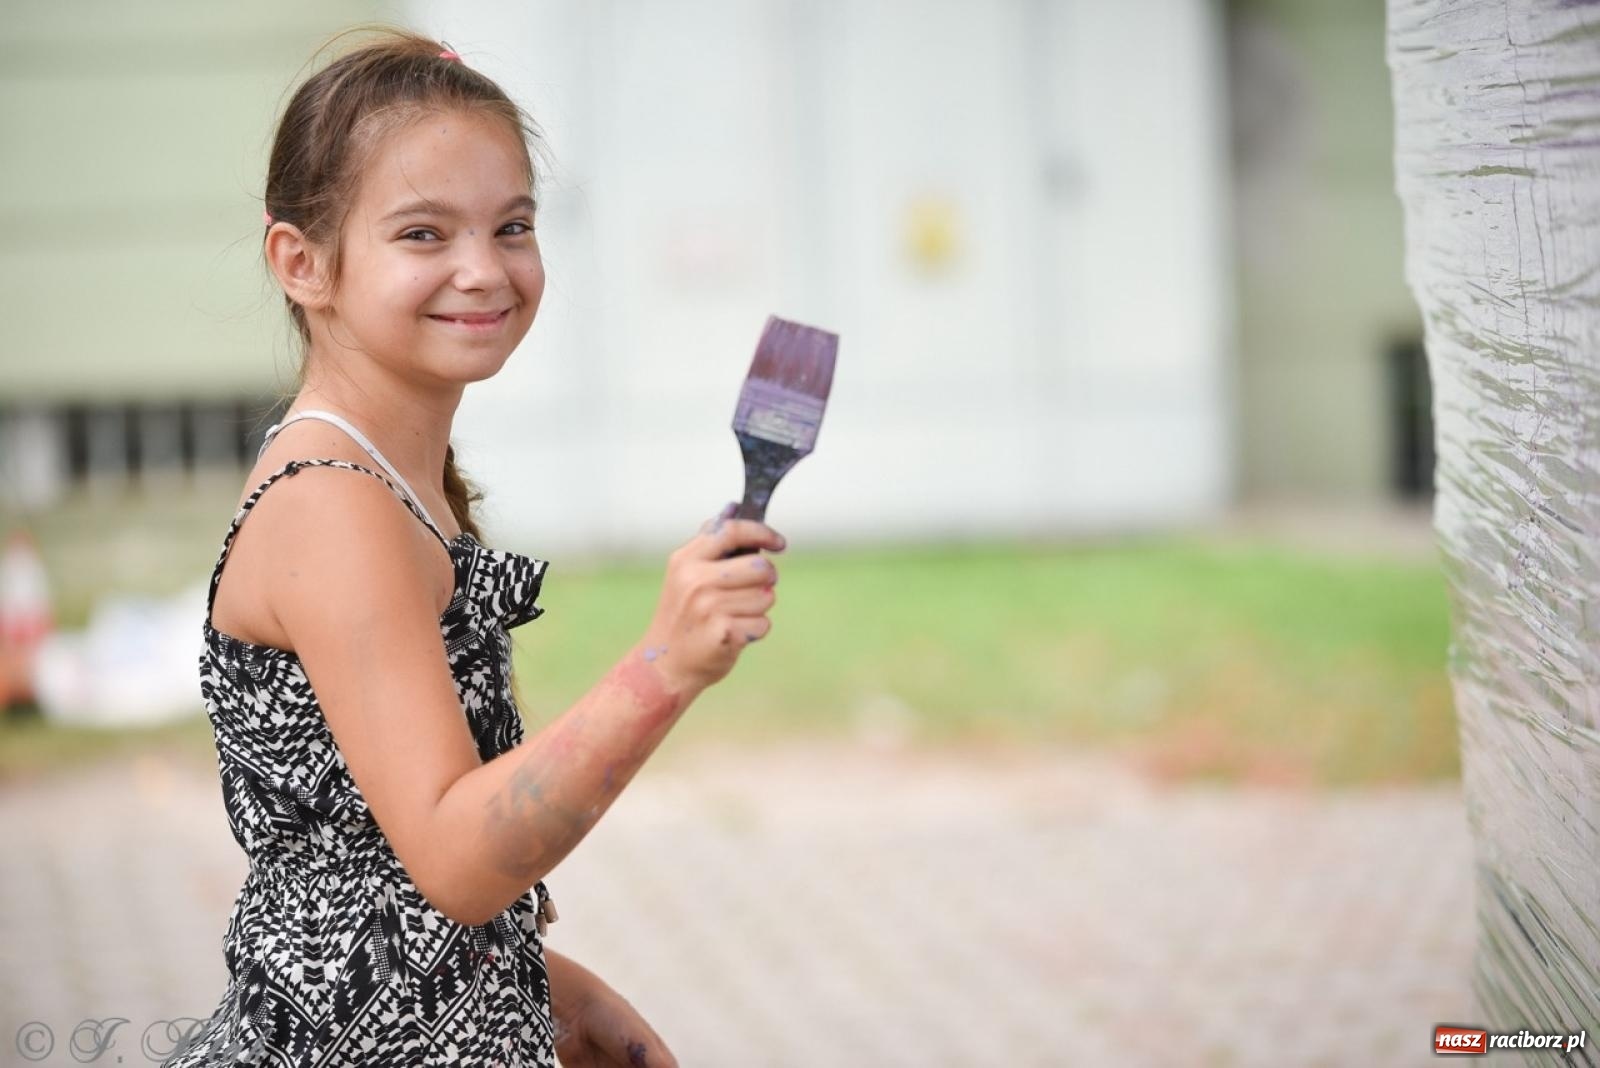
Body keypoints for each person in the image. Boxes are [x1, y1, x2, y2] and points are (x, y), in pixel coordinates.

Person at [164, 27, 783, 1068]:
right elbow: (454, 858)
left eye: (513, 225)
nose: (483, 270)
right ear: (301, 262)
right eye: (422, 234)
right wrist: (665, 664)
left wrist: (545, 987)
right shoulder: (331, 504)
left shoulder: (396, 479)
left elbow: (378, 862)